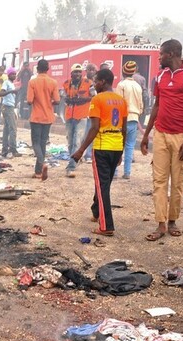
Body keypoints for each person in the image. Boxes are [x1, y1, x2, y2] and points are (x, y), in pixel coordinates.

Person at [140, 39, 183, 241]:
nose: (159, 57)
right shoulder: (160, 76)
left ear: (170, 54)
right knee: (159, 181)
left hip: (181, 136)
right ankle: (160, 224)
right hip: (160, 134)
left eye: (161, 54)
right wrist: (146, 134)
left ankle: (172, 221)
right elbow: (157, 106)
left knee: (177, 182)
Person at [70, 68, 127, 236]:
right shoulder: (121, 100)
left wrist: (81, 150)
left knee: (102, 187)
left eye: (96, 81)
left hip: (102, 147)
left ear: (103, 82)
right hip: (116, 146)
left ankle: (106, 226)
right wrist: (121, 152)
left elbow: (94, 128)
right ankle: (96, 211)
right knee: (104, 183)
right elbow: (124, 129)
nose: (94, 84)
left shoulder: (97, 99)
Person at [27, 59, 60, 179]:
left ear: (37, 69)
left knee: (36, 143)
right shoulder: (53, 82)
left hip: (36, 117)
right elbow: (57, 100)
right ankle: (38, 172)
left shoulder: (32, 82)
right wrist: (49, 102)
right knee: (42, 143)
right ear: (48, 69)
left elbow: (29, 101)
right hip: (48, 117)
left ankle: (42, 163)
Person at [62, 64, 93, 177]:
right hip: (69, 115)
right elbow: (63, 96)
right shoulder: (66, 83)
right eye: (75, 72)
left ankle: (71, 166)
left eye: (79, 72)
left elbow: (94, 96)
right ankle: (75, 159)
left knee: (77, 141)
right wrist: (67, 99)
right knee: (70, 141)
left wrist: (81, 99)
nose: (78, 74)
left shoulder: (89, 83)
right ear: (71, 73)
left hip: (82, 116)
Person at [115, 61, 143, 180]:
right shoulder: (137, 86)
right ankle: (127, 172)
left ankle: (114, 172)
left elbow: (118, 103)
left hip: (123, 119)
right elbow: (141, 105)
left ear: (123, 72)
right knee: (130, 146)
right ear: (134, 72)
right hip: (134, 118)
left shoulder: (121, 85)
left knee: (117, 145)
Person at [0, 67, 20, 157]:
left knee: (7, 129)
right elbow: (1, 94)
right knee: (13, 129)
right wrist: (12, 91)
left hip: (9, 107)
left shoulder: (11, 84)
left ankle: (4, 149)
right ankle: (13, 149)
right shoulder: (6, 83)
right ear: (8, 75)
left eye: (15, 74)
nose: (14, 76)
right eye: (12, 74)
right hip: (7, 107)